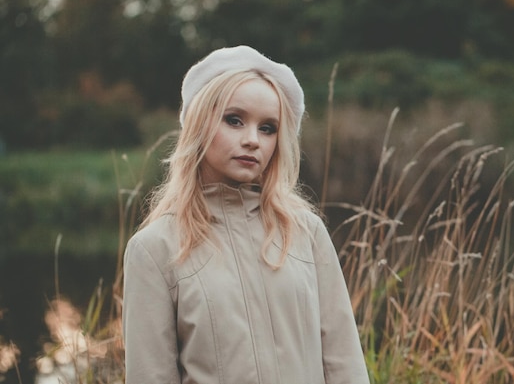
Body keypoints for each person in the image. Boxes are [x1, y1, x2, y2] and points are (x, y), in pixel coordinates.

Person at [122, 45, 370, 384]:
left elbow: (344, 363)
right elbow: (151, 376)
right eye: (234, 120)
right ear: (198, 125)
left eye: (267, 128)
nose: (253, 140)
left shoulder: (305, 231)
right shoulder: (154, 249)